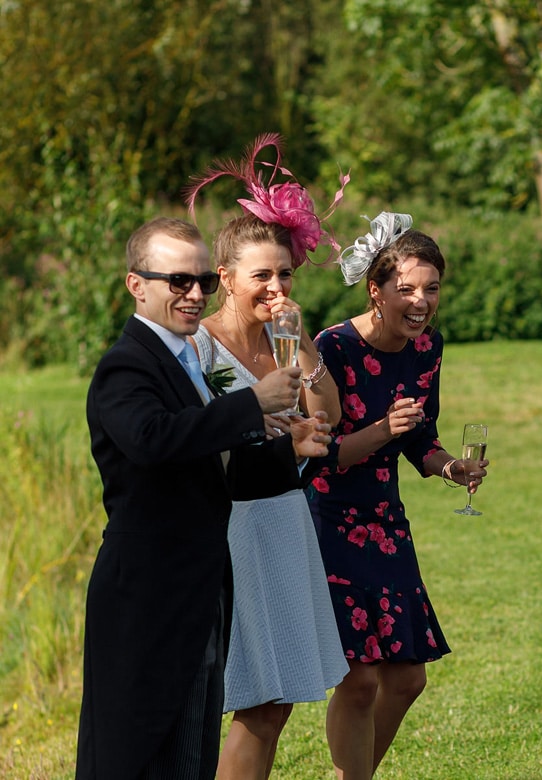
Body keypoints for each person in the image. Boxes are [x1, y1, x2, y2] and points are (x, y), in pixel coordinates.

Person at [76, 217, 333, 780]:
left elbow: (208, 464)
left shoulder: (184, 359)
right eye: (177, 282)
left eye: (201, 283)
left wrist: (287, 448)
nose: (193, 294)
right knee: (135, 750)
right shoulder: (127, 363)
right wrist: (253, 405)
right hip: (148, 587)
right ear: (135, 285)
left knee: (190, 746)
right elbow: (151, 441)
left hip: (200, 579)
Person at [184, 135, 350, 780]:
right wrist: (277, 437)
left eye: (285, 273)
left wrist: (298, 334)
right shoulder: (199, 348)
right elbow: (195, 440)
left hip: (284, 518)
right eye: (262, 275)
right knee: (253, 697)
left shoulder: (284, 340)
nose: (277, 286)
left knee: (276, 699)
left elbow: (329, 414)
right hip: (231, 528)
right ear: (224, 278)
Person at [306, 213, 488, 780]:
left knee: (408, 677)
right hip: (328, 517)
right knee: (359, 678)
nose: (420, 300)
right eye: (405, 288)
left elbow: (421, 439)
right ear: (375, 290)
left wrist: (452, 467)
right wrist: (384, 428)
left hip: (385, 517)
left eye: (431, 288)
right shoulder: (330, 347)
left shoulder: (426, 349)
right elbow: (323, 453)